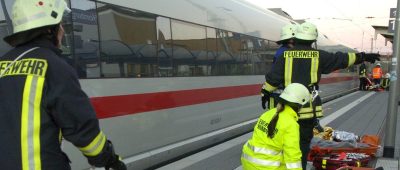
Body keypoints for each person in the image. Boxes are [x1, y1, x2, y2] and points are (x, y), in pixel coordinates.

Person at [0, 0, 126, 169]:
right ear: (49, 29)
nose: (62, 30)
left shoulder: (4, 64)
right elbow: (83, 130)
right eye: (60, 24)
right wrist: (110, 160)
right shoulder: (54, 66)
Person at [260, 22, 380, 169]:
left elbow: (272, 81)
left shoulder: (284, 56)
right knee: (303, 145)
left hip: (288, 111)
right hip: (308, 112)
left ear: (296, 37)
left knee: (285, 142)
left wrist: (265, 93)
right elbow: (342, 59)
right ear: (313, 40)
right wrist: (363, 56)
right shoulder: (318, 56)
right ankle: (301, 166)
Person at [241, 83, 310, 170]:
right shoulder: (291, 124)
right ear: (300, 105)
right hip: (266, 167)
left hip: (248, 162)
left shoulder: (268, 113)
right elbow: (292, 156)